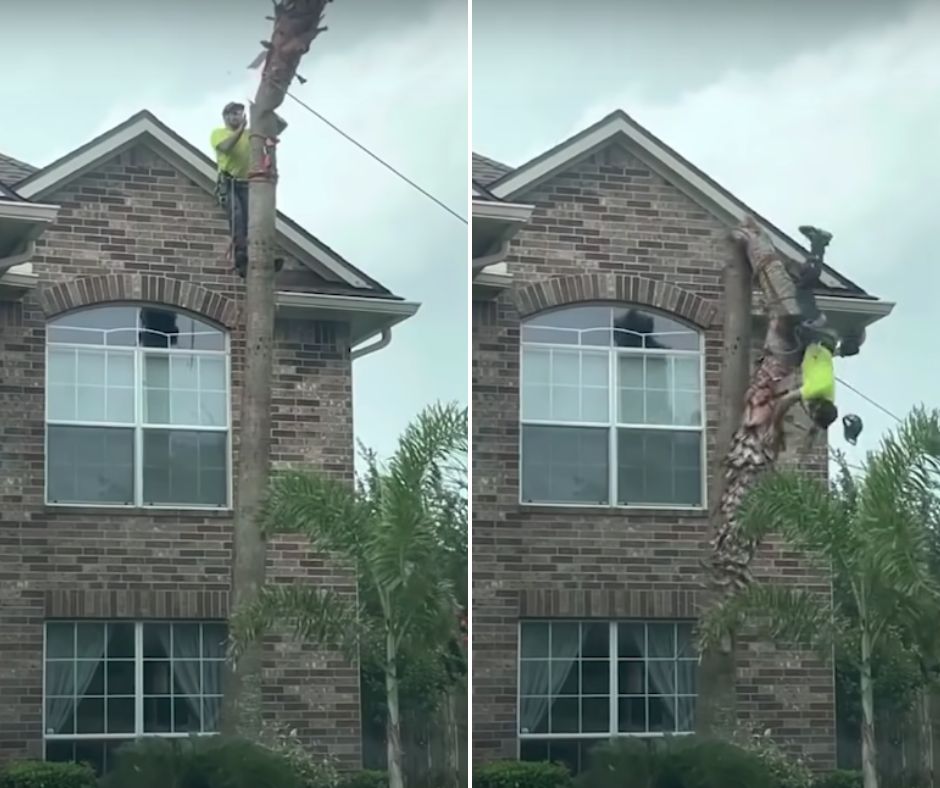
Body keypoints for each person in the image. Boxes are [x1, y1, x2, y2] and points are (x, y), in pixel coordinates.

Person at [211, 102, 250, 276]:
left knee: (252, 221)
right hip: (229, 183)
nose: (237, 117)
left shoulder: (251, 136)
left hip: (247, 183)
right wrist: (240, 130)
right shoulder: (219, 134)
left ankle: (249, 259)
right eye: (234, 114)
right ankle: (240, 254)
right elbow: (226, 147)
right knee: (237, 216)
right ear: (225, 117)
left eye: (240, 114)